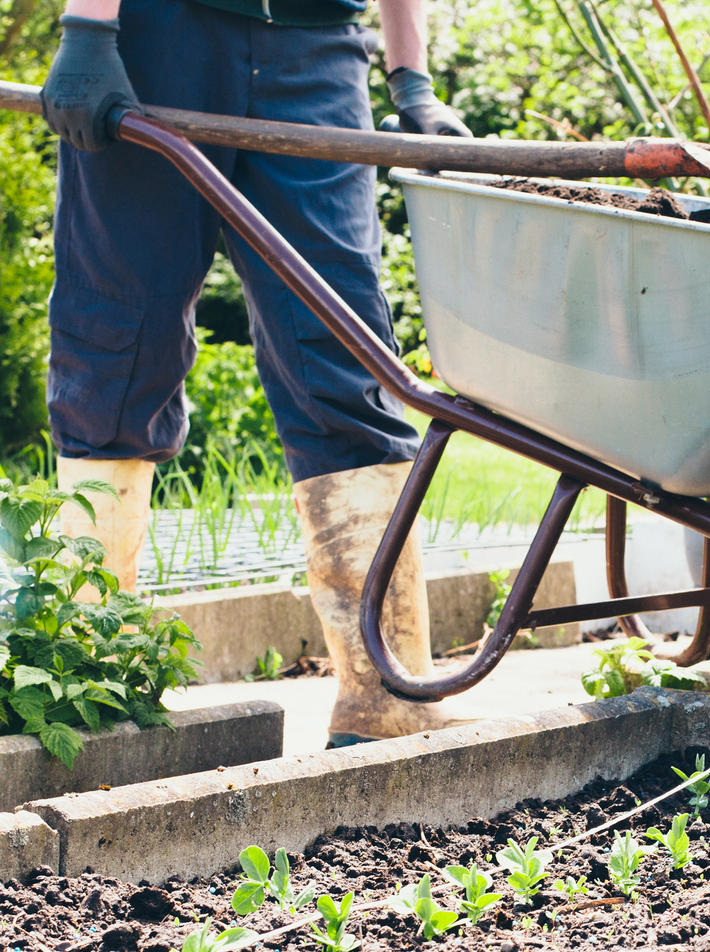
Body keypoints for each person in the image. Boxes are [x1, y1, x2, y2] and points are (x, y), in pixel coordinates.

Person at [40, 0, 471, 747]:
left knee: (344, 348)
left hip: (316, 47)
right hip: (160, 40)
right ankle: (86, 682)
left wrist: (412, 81)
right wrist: (88, 28)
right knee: (117, 339)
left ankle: (386, 695)